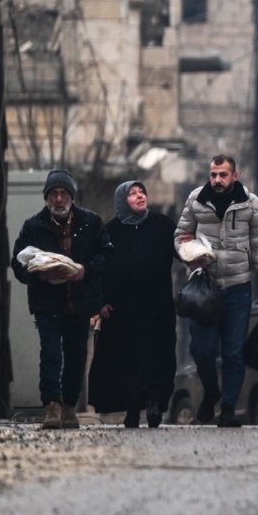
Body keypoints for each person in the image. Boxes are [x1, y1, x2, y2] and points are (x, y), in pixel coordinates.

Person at [174, 155, 258, 427]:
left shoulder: (250, 204)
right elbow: (179, 237)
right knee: (202, 350)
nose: (217, 180)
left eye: (223, 175)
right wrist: (189, 253)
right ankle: (211, 391)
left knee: (233, 353)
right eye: (213, 175)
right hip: (204, 289)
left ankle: (229, 409)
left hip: (238, 288)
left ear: (235, 176)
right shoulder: (196, 200)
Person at [11, 170, 114, 430]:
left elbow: (107, 254)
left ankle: (69, 406)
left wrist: (85, 270)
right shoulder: (33, 226)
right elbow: (17, 263)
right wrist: (39, 275)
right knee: (51, 355)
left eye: (64, 194)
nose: (59, 199)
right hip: (48, 305)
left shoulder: (90, 222)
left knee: (76, 357)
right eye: (54, 194)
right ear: (46, 198)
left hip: (80, 304)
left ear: (71, 197)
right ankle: (51, 407)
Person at [88, 181, 179, 428]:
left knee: (158, 357)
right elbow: (98, 270)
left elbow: (183, 251)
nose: (140, 196)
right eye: (132, 193)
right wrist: (100, 303)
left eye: (142, 192)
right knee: (128, 361)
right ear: (122, 201)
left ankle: (154, 403)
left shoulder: (162, 225)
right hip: (122, 312)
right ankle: (132, 408)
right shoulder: (110, 232)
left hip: (157, 308)